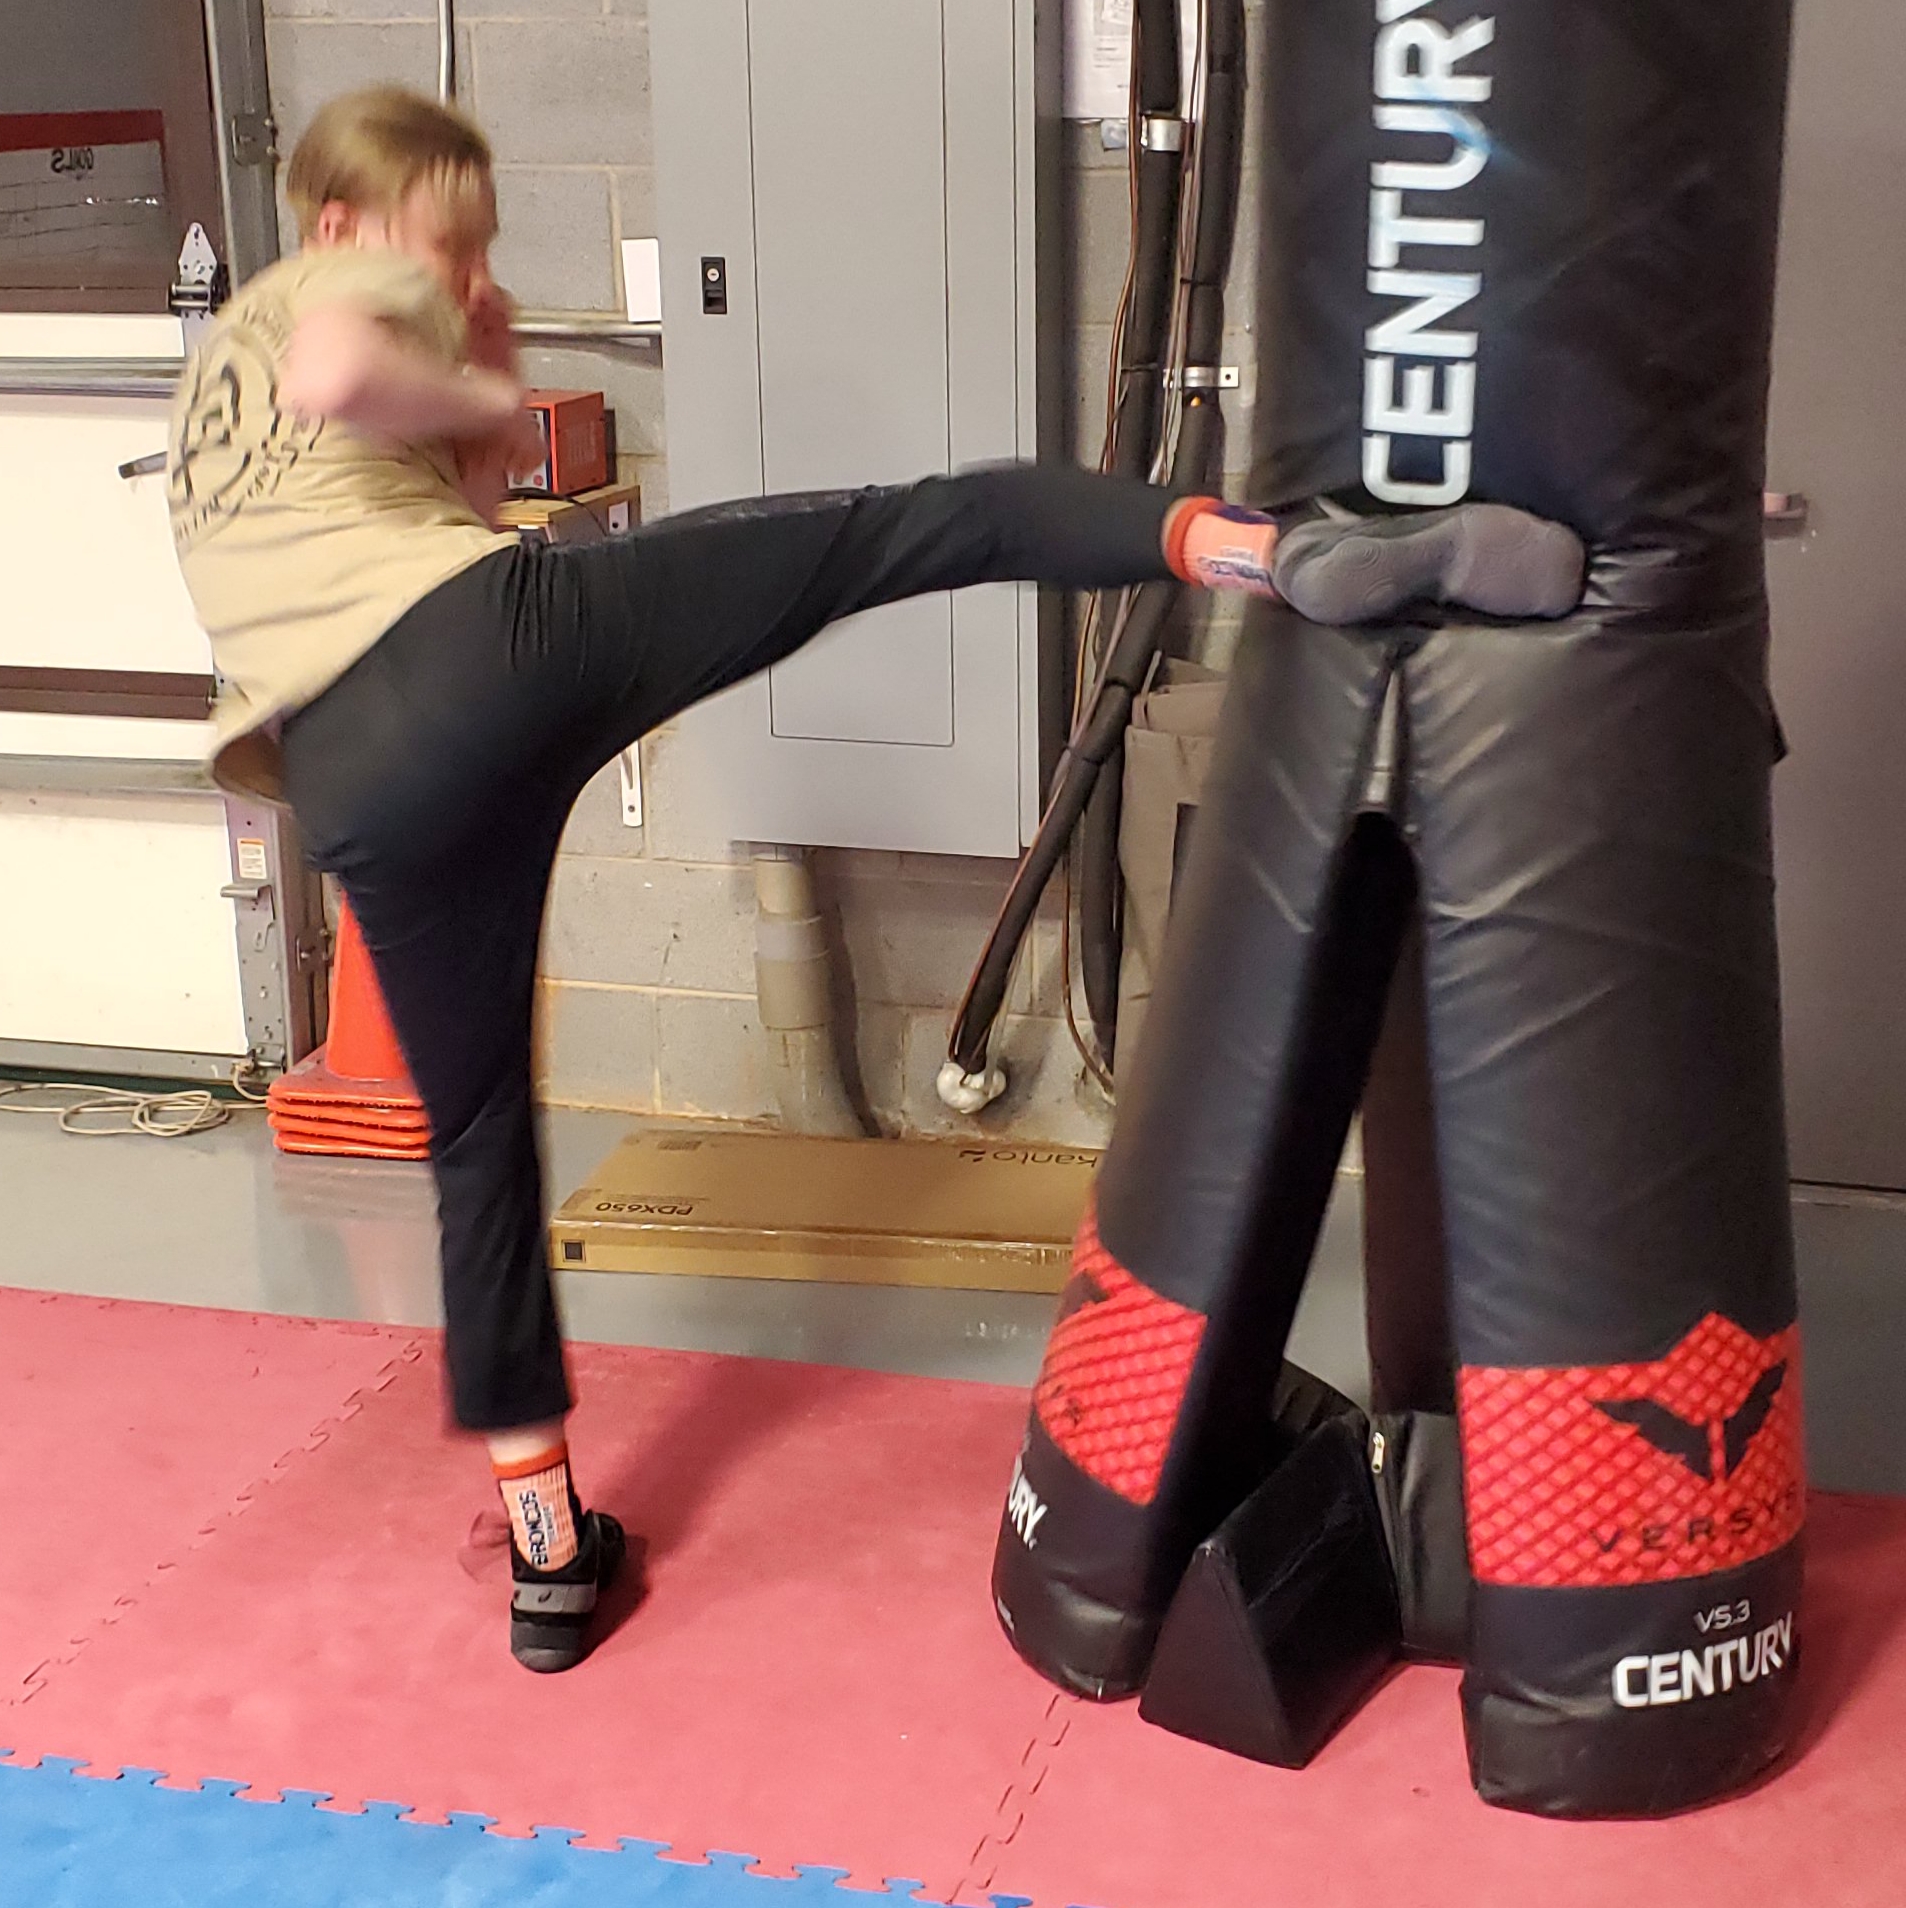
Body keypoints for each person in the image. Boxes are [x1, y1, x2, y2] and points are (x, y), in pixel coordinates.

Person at [167, 84, 1582, 1673]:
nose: (469, 273)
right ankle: (1256, 551)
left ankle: (548, 1554)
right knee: (897, 534)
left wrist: (467, 419)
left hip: (353, 785)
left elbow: (377, 493)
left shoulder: (208, 398)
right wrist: (473, 380)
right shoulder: (327, 286)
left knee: (481, 1149)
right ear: (347, 219)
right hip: (478, 657)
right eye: (451, 237)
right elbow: (355, 366)